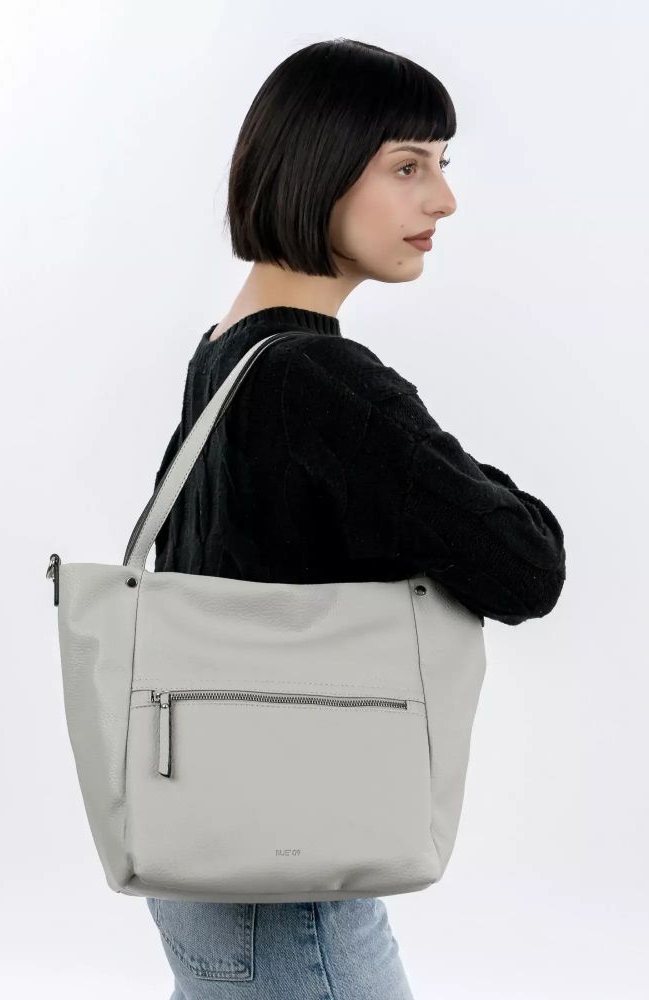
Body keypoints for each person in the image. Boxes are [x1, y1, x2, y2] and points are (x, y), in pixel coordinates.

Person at [144, 37, 566, 1000]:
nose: (442, 201)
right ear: (317, 166)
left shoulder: (225, 353)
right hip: (288, 885)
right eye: (406, 167)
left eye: (442, 165)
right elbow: (526, 568)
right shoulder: (319, 378)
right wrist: (435, 456)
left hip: (205, 856)